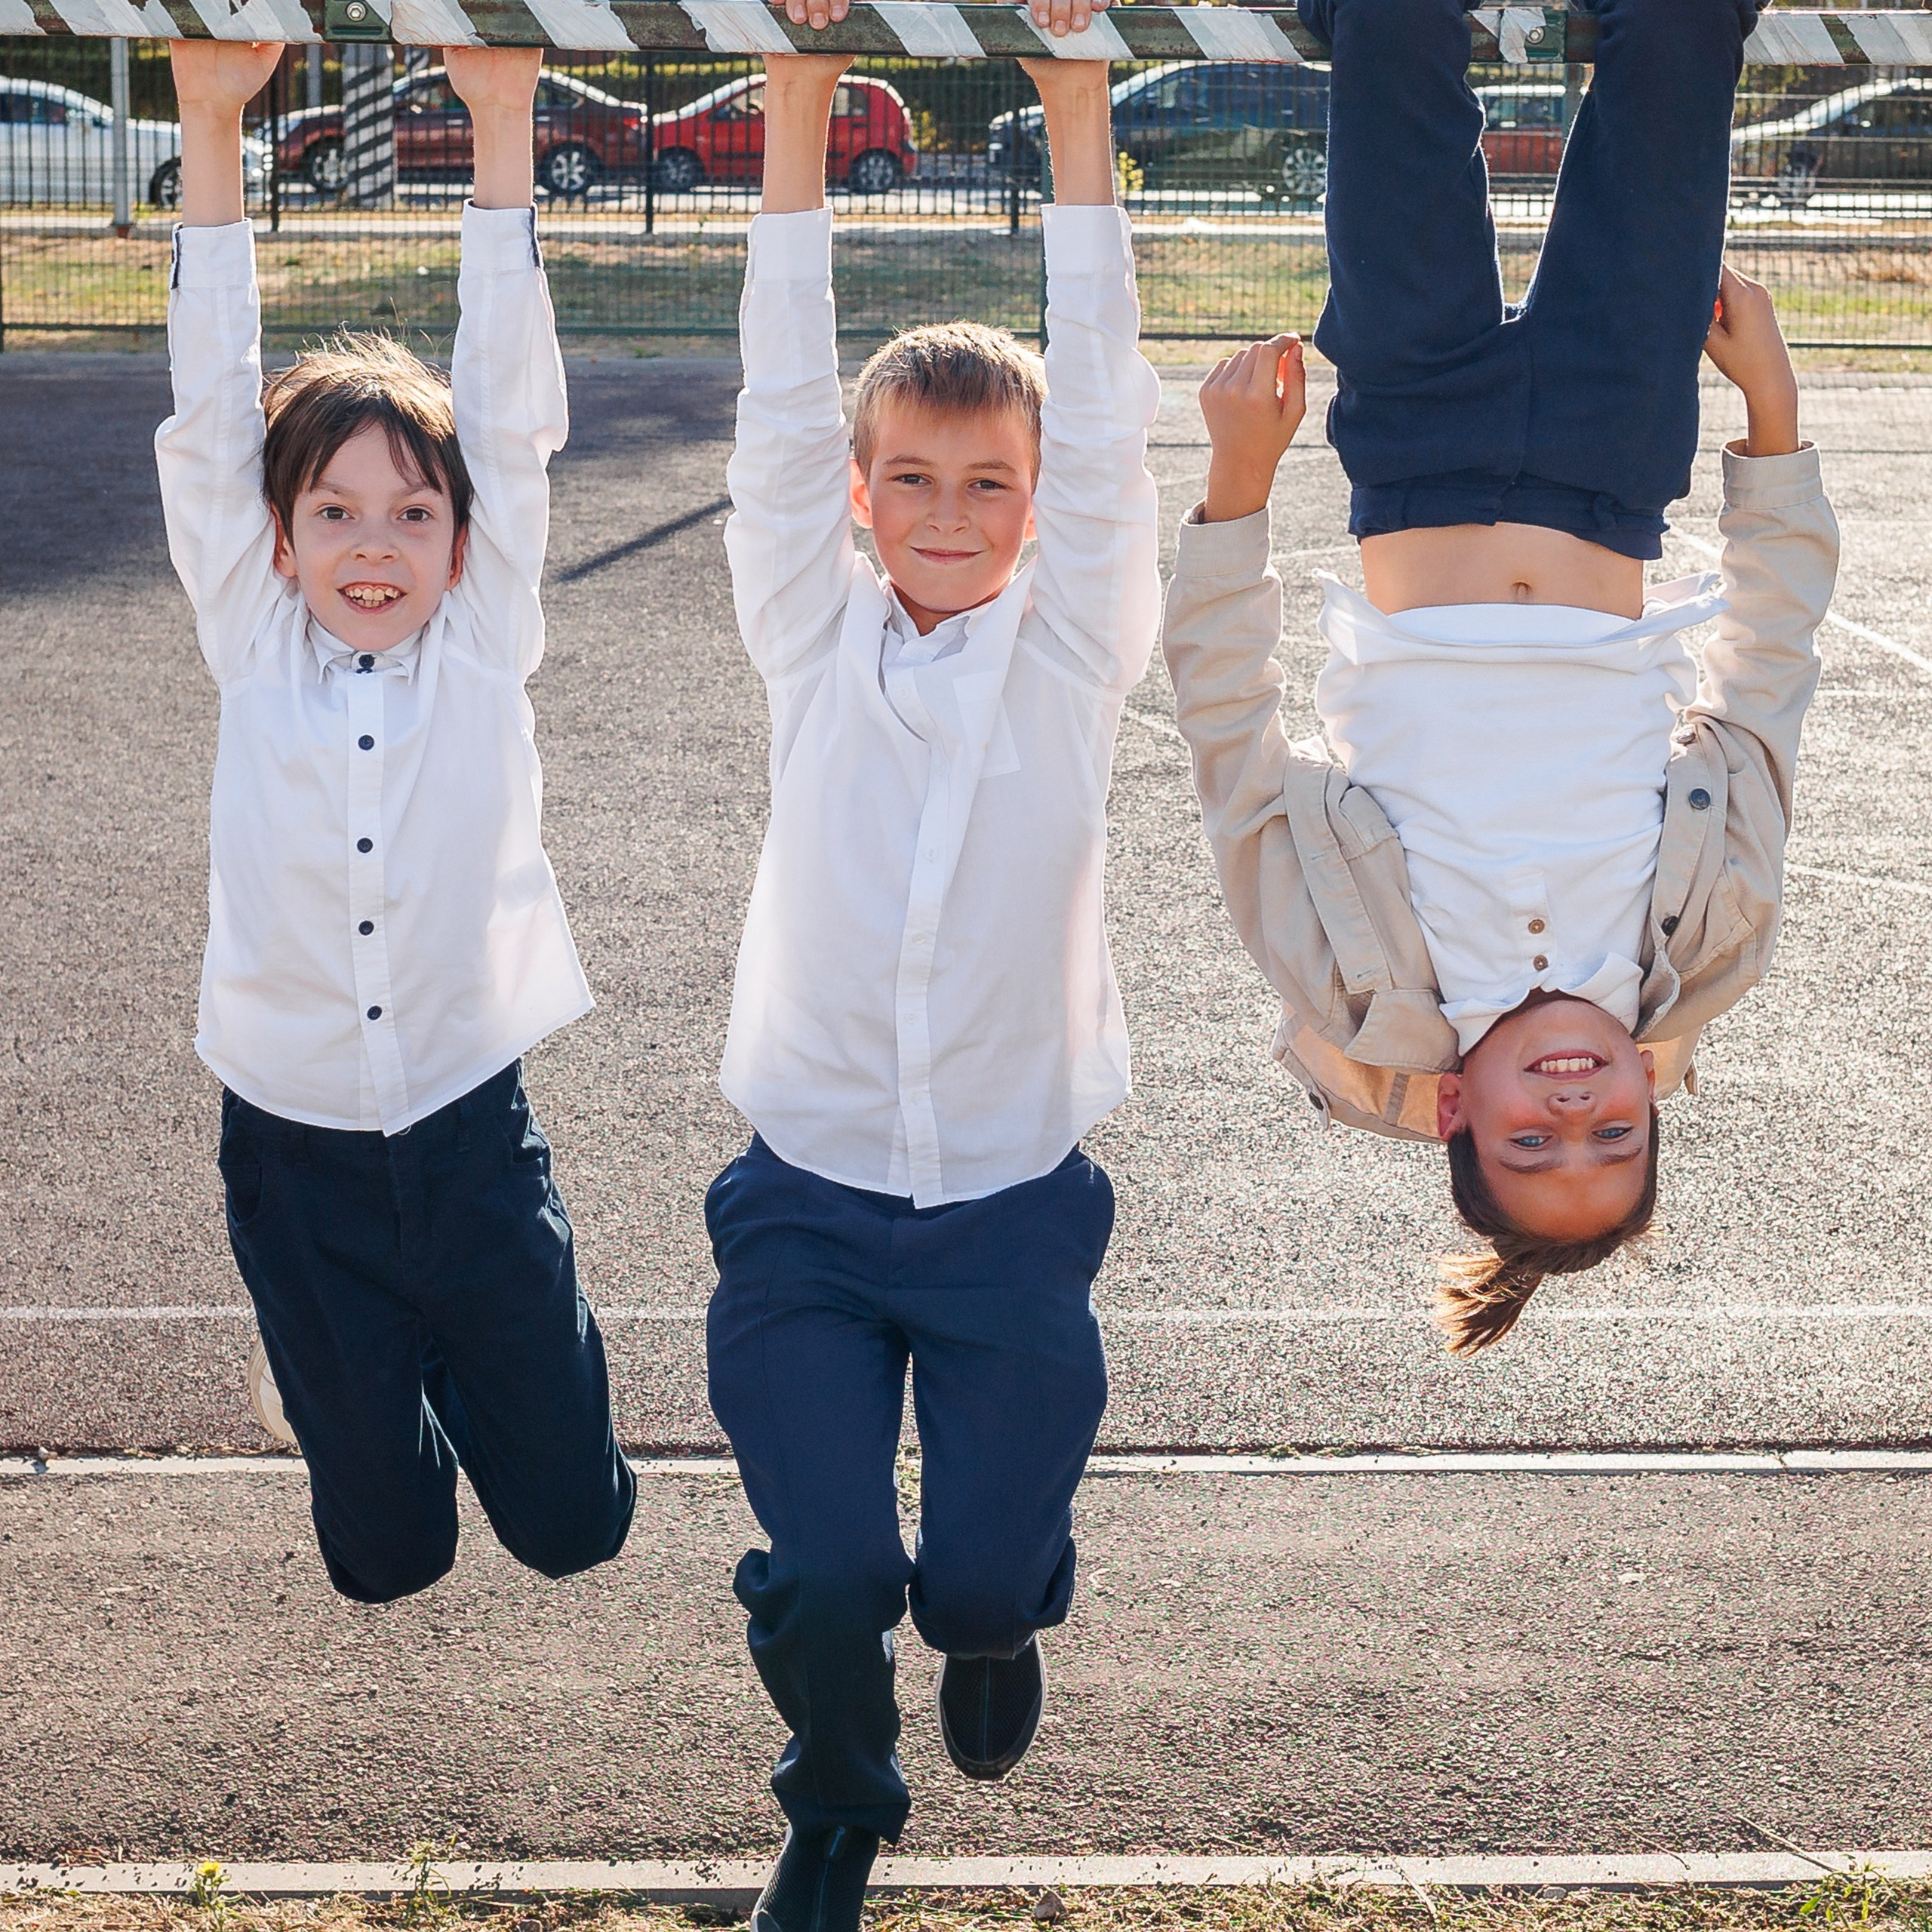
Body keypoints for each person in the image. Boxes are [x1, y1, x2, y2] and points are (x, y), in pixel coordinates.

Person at [1159, 0, 1839, 1352]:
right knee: (1686, 33)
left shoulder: (1351, 986)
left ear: (1460, 1114)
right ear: (1654, 1094)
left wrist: (1236, 488)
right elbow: (1765, 682)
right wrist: (1775, 415)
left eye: (1539, 1140)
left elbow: (1231, 741)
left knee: (1392, 30)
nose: (1576, 1104)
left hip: (1413, 446)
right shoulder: (1708, 946)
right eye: (1615, 1132)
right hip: (1615, 451)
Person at [705, 45, 1159, 1932]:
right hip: (803, 1198)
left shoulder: (1070, 658)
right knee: (822, 1571)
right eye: (912, 478)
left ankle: (993, 1616)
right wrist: (794, 88)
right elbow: (778, 405)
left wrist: (1074, 96)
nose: (950, 507)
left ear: (1039, 508)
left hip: (1005, 1208)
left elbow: (1117, 424)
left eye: (989, 481)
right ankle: (834, 1798)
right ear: (862, 501)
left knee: (969, 1576)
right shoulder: (809, 636)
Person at [155, 38, 634, 1600]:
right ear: (278, 539)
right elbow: (207, 403)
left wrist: (504, 120)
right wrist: (215, 119)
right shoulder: (254, 631)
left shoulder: (485, 637)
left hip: (465, 1127)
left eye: (413, 512)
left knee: (578, 1525)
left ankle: (451, 1356)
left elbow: (505, 408)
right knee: (385, 1557)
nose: (377, 545)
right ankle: (350, 1381)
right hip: (294, 1154)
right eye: (336, 514)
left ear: (459, 535)